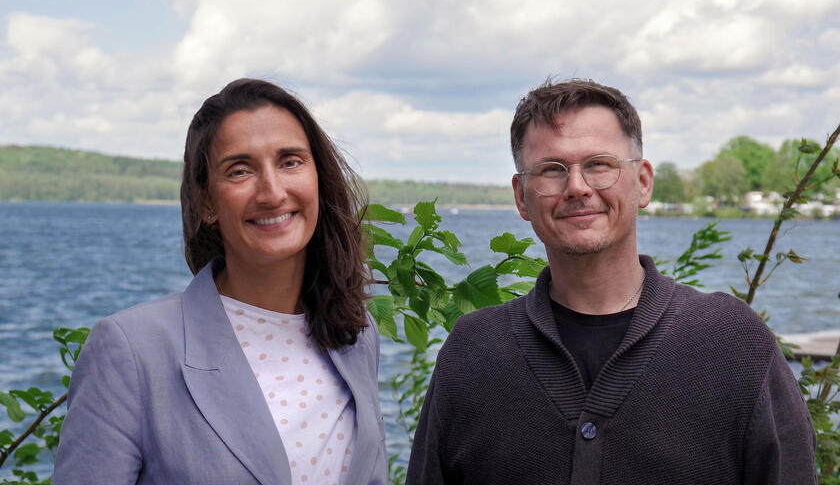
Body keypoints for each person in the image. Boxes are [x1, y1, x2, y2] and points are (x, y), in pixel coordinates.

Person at [407, 78, 816, 484]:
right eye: (551, 170)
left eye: (599, 165)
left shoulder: (734, 345)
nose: (577, 187)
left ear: (642, 183)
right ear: (521, 196)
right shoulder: (471, 353)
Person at [54, 78, 387, 484]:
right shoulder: (131, 351)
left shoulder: (356, 334)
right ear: (206, 201)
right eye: (240, 170)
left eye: (290, 161)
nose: (272, 191)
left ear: (318, 176)